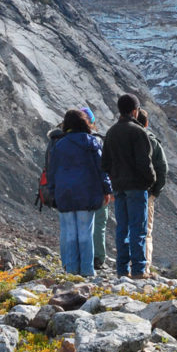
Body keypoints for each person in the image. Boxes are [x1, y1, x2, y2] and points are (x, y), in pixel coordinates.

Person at [48, 108, 111, 277]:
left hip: (65, 194)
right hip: (87, 193)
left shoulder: (59, 144)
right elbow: (102, 169)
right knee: (85, 232)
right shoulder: (92, 142)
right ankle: (87, 270)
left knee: (69, 232)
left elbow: (52, 171)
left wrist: (52, 191)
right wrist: (107, 189)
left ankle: (70, 269)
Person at [102, 93, 156, 278]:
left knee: (122, 228)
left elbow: (105, 164)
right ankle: (139, 270)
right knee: (138, 228)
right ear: (135, 111)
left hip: (119, 186)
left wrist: (115, 179)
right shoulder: (138, 132)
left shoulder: (111, 132)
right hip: (137, 186)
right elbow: (144, 162)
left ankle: (122, 269)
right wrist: (150, 180)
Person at [137, 107, 168, 272]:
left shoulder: (122, 137)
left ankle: (126, 267)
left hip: (124, 190)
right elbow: (162, 168)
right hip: (147, 192)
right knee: (145, 231)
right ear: (147, 123)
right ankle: (144, 267)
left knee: (127, 228)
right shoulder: (152, 141)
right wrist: (156, 191)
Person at [79, 104, 109, 270]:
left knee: (80, 223)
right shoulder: (97, 141)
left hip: (77, 189)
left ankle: (81, 257)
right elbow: (104, 167)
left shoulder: (66, 141)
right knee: (98, 224)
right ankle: (98, 258)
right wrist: (108, 189)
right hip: (96, 188)